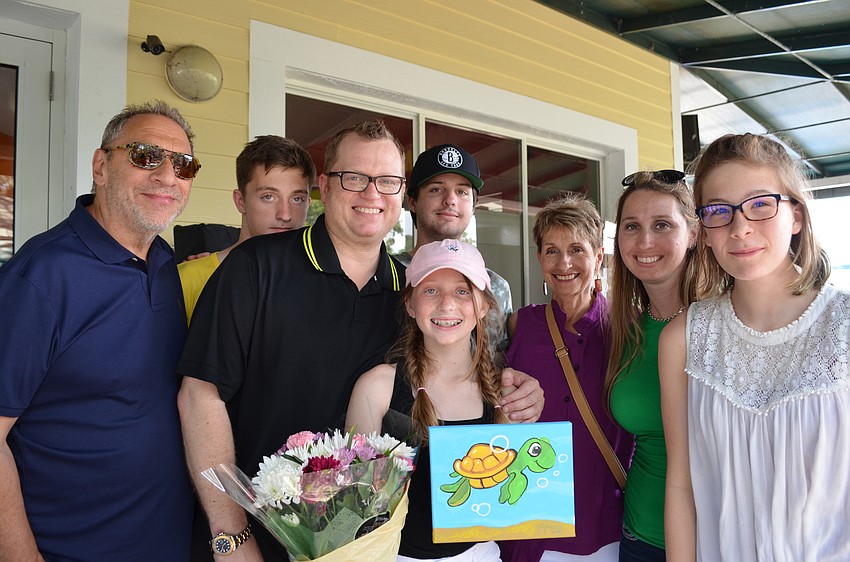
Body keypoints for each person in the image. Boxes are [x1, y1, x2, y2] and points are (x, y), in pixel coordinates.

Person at [176, 120, 544, 561]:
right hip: (256, 539)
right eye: (355, 178)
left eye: (387, 181)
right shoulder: (256, 269)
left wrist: (514, 385)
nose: (372, 194)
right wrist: (231, 534)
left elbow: (454, 374)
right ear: (325, 187)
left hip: (368, 545)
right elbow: (200, 396)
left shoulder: (408, 293)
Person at [0, 101, 198, 560]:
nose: (168, 176)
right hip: (69, 548)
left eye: (183, 164)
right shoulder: (42, 275)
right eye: (146, 156)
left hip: (165, 543)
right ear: (101, 165)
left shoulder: (164, 263)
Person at [660, 133, 849, 562]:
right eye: (719, 211)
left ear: (796, 215)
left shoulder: (844, 324)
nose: (740, 227)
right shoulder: (683, 338)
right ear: (703, 231)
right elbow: (681, 483)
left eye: (761, 204)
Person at [347, 239, 509, 562]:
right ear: (410, 304)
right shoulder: (378, 387)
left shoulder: (502, 389)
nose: (447, 304)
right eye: (431, 290)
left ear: (485, 306)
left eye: (462, 291)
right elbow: (354, 502)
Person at [500, 193, 633, 562]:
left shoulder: (628, 327)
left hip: (605, 520)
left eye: (577, 249)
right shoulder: (521, 325)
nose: (564, 263)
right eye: (551, 251)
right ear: (540, 258)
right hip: (530, 522)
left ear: (599, 257)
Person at [604, 170, 704, 562]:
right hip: (638, 537)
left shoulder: (724, 322)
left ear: (693, 233)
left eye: (662, 225)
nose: (645, 242)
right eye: (632, 226)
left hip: (717, 537)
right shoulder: (625, 331)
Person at [178, 135, 316, 322]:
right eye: (268, 196)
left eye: (297, 198)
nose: (285, 214)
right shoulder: (187, 280)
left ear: (308, 203)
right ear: (241, 201)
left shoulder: (319, 284)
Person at [396, 144, 513, 349]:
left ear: (474, 206)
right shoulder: (385, 272)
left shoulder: (495, 287)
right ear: (412, 201)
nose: (450, 200)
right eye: (436, 189)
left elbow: (499, 363)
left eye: (461, 191)